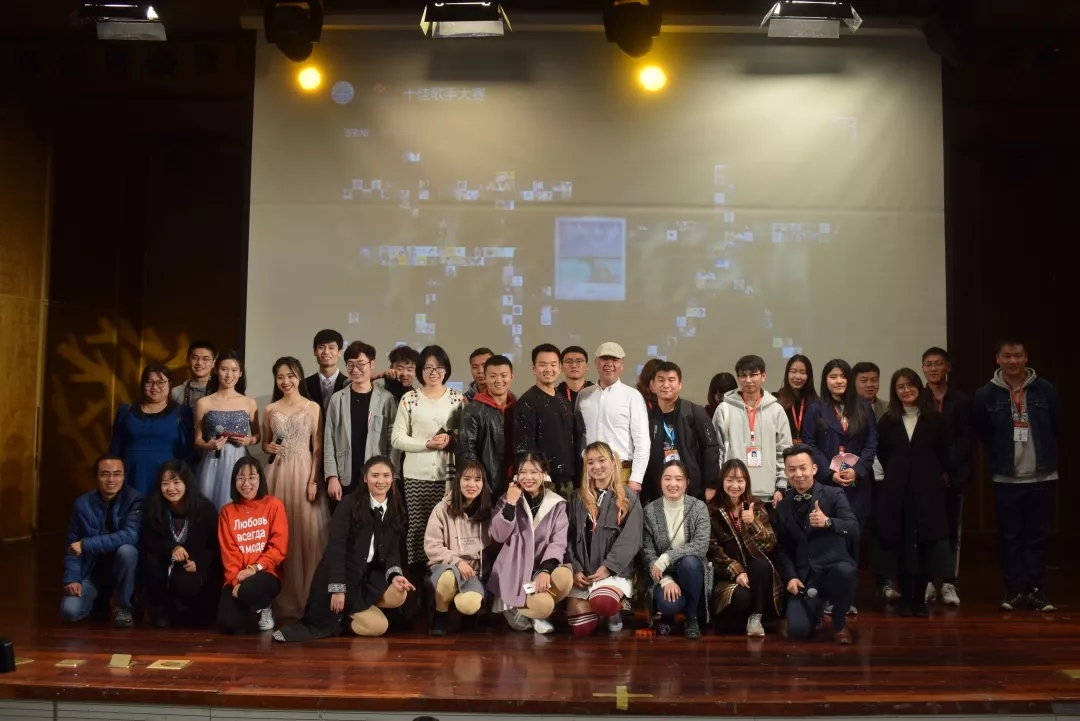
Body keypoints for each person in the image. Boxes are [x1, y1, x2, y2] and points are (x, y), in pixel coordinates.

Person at [273, 456, 416, 642]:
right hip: (345, 576)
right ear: (365, 478)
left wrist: (395, 575)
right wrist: (338, 589)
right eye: (375, 475)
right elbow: (336, 549)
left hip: (368, 577)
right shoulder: (349, 504)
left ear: (392, 478)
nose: (381, 481)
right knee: (378, 627)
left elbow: (392, 551)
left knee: (399, 594)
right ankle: (344, 619)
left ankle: (354, 609)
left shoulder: (394, 507)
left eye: (386, 475)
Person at [972, 338, 1060, 612]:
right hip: (1006, 478)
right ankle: (1012, 591)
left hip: (1042, 476)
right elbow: (982, 431)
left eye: (1018, 356)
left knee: (1037, 538)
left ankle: (1036, 590)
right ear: (997, 359)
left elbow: (1057, 425)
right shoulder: (986, 394)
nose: (1013, 361)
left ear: (1026, 358)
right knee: (1010, 538)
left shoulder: (1044, 389)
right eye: (1007, 356)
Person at [802, 359, 876, 616]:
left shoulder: (863, 407)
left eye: (843, 376)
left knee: (852, 539)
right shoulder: (815, 409)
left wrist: (858, 470)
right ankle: (825, 597)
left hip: (857, 486)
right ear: (825, 380)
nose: (838, 381)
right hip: (827, 485)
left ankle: (846, 598)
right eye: (833, 376)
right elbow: (809, 444)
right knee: (827, 539)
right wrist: (830, 473)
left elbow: (871, 444)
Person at [875, 369, 951, 617]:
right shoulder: (888, 421)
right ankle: (906, 598)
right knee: (901, 545)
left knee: (926, 546)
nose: (906, 390)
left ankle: (920, 599)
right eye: (900, 387)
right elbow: (883, 454)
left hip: (928, 492)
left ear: (919, 387)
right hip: (897, 494)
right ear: (894, 391)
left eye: (910, 385)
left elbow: (943, 452)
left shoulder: (934, 419)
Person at [262, 356, 329, 620]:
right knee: (278, 534)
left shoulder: (313, 407)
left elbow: (318, 448)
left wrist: (313, 481)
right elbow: (265, 443)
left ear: (299, 376)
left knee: (306, 534)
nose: (285, 381)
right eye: (280, 377)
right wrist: (268, 447)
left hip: (303, 473)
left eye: (290, 375)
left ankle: (308, 597)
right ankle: (279, 597)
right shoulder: (270, 409)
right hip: (277, 475)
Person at [772, 445, 859, 644]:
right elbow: (782, 548)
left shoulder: (834, 494)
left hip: (833, 570)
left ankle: (839, 623)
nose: (798, 474)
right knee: (797, 631)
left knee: (846, 571)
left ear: (814, 469)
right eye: (792, 469)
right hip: (806, 577)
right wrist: (791, 577)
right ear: (786, 472)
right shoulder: (783, 506)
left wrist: (828, 522)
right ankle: (815, 610)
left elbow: (854, 528)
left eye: (803, 468)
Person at [391, 345, 466, 568]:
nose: (434, 372)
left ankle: (444, 576)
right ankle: (418, 579)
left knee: (447, 528)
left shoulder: (457, 399)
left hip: (448, 475)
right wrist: (426, 444)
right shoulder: (410, 399)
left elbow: (466, 436)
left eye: (439, 367)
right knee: (418, 529)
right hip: (416, 476)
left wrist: (450, 440)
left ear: (446, 370)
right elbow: (397, 439)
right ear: (420, 371)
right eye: (428, 367)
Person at [488, 453, 574, 635]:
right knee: (543, 606)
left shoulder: (557, 504)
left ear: (544, 473)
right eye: (523, 472)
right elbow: (498, 535)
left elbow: (558, 542)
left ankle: (532, 610)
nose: (528, 477)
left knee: (564, 576)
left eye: (534, 472)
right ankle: (516, 609)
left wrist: (546, 570)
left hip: (539, 569)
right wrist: (510, 503)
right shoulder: (507, 499)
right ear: (516, 475)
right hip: (514, 571)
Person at [566, 442, 643, 636]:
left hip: (613, 572)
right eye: (590, 462)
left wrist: (609, 567)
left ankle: (613, 608)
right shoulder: (576, 497)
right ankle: (598, 610)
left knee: (604, 602)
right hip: (584, 574)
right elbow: (568, 537)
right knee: (581, 627)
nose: (596, 466)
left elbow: (631, 538)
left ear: (613, 462)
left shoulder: (629, 497)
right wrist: (575, 568)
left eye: (602, 460)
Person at [61, 455, 143, 628]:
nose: (111, 479)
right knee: (70, 611)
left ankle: (124, 607)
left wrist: (86, 544)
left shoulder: (135, 499)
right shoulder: (81, 504)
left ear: (124, 476)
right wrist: (72, 578)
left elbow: (130, 535)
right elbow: (71, 545)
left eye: (117, 474)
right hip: (92, 569)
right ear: (96, 477)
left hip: (121, 568)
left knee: (128, 551)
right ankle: (99, 597)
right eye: (105, 474)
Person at [140, 459, 220, 627]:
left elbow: (216, 546)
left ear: (186, 483)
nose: (171, 488)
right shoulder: (153, 506)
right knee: (151, 564)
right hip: (165, 564)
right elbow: (148, 540)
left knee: (187, 585)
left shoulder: (205, 509)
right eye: (165, 483)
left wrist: (199, 562)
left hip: (194, 567)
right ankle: (162, 610)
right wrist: (171, 547)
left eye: (176, 482)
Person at [708, 459, 783, 637]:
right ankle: (740, 619)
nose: (735, 486)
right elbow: (713, 551)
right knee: (742, 598)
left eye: (740, 481)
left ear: (746, 483)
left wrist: (753, 523)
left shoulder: (756, 506)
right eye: (729, 480)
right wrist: (737, 572)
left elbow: (770, 543)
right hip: (727, 575)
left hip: (757, 573)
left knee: (761, 564)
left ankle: (756, 616)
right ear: (722, 482)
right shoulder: (712, 511)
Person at [920, 346, 971, 607]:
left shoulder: (961, 401)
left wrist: (945, 469)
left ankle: (950, 581)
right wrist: (933, 470)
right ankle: (929, 580)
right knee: (925, 529)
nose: (933, 368)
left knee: (952, 530)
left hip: (953, 476)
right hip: (926, 478)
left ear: (948, 367)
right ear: (922, 368)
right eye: (928, 364)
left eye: (938, 363)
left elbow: (965, 441)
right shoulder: (919, 400)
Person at [217, 457, 288, 634]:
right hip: (237, 577)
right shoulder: (227, 512)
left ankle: (265, 606)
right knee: (228, 623)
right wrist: (236, 583)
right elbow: (229, 554)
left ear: (260, 479)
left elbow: (278, 548)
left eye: (251, 477)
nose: (246, 483)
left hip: (266, 573)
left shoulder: (274, 505)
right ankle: (249, 604)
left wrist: (254, 568)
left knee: (249, 590)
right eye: (240, 478)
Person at [641, 460, 711, 638]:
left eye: (679, 479)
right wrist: (665, 580)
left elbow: (701, 545)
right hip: (663, 575)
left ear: (687, 483)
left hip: (692, 571)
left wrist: (667, 557)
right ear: (660, 481)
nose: (673, 484)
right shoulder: (650, 511)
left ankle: (691, 617)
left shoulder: (698, 507)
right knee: (669, 605)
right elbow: (647, 553)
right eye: (667, 478)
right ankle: (671, 613)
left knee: (689, 563)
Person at [323, 341, 399, 507]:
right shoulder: (337, 399)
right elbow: (329, 440)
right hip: (345, 476)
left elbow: (392, 441)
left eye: (360, 364)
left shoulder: (385, 399)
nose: (355, 369)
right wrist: (332, 477)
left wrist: (390, 475)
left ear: (371, 364)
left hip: (377, 477)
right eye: (350, 364)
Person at [424, 460, 494, 636]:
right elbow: (432, 545)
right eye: (467, 479)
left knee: (469, 605)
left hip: (474, 573)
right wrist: (457, 561)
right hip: (446, 566)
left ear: (483, 484)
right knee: (448, 577)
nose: (472, 484)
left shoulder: (489, 511)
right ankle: (440, 613)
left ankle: (468, 613)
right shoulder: (442, 509)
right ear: (458, 481)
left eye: (477, 480)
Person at [713, 355, 792, 509]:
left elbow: (784, 450)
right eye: (743, 375)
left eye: (753, 375)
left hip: (768, 494)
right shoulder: (724, 409)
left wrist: (781, 485)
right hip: (733, 493)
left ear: (763, 376)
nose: (748, 380)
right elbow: (718, 451)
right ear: (738, 378)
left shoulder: (776, 410)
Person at [109, 364, 194, 497]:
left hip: (166, 481)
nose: (154, 387)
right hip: (130, 477)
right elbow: (115, 450)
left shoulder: (181, 413)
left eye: (160, 382)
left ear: (170, 384)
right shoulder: (126, 411)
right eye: (149, 382)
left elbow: (186, 454)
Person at [575, 342, 651, 491]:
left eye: (615, 360)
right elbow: (580, 435)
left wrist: (636, 479)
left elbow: (642, 441)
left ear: (622, 365)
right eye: (604, 359)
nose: (609, 364)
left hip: (622, 473)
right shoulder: (584, 396)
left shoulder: (632, 396)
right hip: (591, 473)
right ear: (596, 363)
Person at [643, 361, 719, 504]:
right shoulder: (647, 417)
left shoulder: (694, 412)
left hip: (692, 490)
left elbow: (711, 448)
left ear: (680, 385)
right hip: (657, 492)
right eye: (661, 380)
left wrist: (711, 484)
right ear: (652, 385)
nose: (666, 385)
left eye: (671, 380)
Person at [194, 350, 260, 510]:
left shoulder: (249, 402)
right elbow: (197, 439)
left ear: (240, 373)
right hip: (213, 461)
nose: (229, 375)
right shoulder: (204, 403)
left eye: (234, 370)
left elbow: (257, 435)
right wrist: (209, 445)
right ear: (216, 370)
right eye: (224, 369)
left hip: (240, 460)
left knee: (238, 507)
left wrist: (249, 440)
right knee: (210, 507)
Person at [514, 343, 577, 498]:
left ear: (560, 368)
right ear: (534, 369)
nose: (548, 369)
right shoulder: (527, 403)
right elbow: (524, 449)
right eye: (543, 365)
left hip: (567, 481)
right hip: (542, 482)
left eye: (553, 364)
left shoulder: (563, 401)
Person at [460, 354, 517, 497]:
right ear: (485, 378)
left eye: (504, 375)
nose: (499, 380)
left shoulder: (519, 407)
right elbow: (467, 451)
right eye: (493, 376)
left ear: (511, 377)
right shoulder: (472, 409)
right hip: (485, 485)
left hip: (516, 482)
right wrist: (477, 481)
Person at [304, 329, 348, 419]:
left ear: (340, 352)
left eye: (331, 348)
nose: (326, 352)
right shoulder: (304, 385)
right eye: (321, 347)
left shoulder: (348, 385)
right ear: (315, 351)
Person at [775, 354, 818, 444]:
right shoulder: (777, 401)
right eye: (793, 371)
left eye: (803, 372)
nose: (797, 377)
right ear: (787, 374)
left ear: (809, 376)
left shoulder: (816, 403)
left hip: (808, 451)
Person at [170, 340, 216, 409]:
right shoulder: (175, 393)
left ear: (213, 363)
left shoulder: (220, 390)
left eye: (205, 359)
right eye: (195, 358)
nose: (199, 363)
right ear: (188, 360)